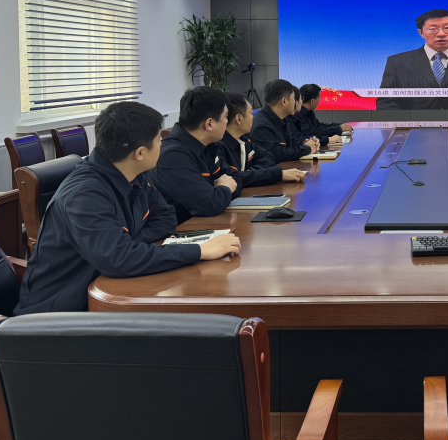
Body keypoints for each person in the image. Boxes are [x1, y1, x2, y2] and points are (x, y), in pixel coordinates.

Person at [15, 102, 241, 314]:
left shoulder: (131, 172)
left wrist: (130, 245)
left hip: (102, 292)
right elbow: (119, 259)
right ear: (140, 153)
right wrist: (200, 251)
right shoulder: (85, 194)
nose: (162, 144)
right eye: (159, 140)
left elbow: (165, 216)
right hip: (56, 316)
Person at [150, 86, 243, 225]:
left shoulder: (209, 145)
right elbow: (210, 204)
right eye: (225, 117)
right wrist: (225, 188)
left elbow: (235, 179)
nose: (227, 122)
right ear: (209, 124)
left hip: (203, 224)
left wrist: (222, 191)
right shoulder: (172, 156)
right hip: (178, 232)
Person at [217, 92, 306, 187]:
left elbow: (269, 156)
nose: (253, 117)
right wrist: (277, 174)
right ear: (239, 119)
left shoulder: (243, 140)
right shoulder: (217, 147)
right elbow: (232, 178)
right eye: (251, 113)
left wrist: (252, 172)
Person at [251, 80, 320, 162]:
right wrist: (307, 148)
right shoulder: (262, 126)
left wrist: (306, 143)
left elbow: (291, 144)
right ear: (284, 101)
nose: (296, 102)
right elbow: (277, 154)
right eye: (293, 98)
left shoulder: (283, 118)